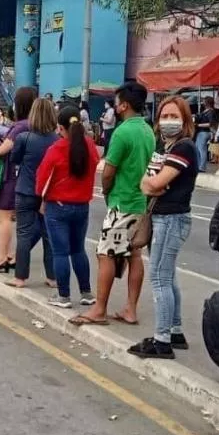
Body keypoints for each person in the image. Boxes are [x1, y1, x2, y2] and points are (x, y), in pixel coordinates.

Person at [74, 82, 155, 326]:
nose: (116, 105)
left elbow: (108, 172)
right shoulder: (147, 131)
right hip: (140, 201)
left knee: (105, 253)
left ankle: (100, 308)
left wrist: (107, 192)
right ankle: (130, 308)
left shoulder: (122, 132)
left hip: (122, 202)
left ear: (124, 105)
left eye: (118, 101)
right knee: (135, 256)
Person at [128, 96, 197, 359]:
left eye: (174, 116)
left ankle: (162, 340)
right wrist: (152, 182)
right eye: (165, 116)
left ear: (185, 119)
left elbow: (154, 183)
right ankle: (175, 330)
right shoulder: (164, 146)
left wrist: (152, 182)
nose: (169, 121)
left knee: (159, 277)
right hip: (163, 217)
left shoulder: (184, 148)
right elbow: (147, 181)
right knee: (168, 276)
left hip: (171, 218)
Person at [37, 105, 100, 308]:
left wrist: (43, 199)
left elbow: (42, 180)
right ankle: (86, 292)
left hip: (58, 206)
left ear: (61, 128)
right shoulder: (89, 146)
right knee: (78, 250)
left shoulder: (56, 149)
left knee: (61, 252)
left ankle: (63, 296)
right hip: (82, 205)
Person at [7, 98, 59, 288]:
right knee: (49, 235)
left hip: (26, 189)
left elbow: (14, 158)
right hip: (49, 192)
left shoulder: (24, 138)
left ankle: (20, 277)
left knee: (23, 233)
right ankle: (52, 277)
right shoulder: (57, 140)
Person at [0, 87, 35, 273]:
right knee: (24, 220)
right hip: (31, 176)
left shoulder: (19, 126)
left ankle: (2, 257)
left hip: (13, 175)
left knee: (3, 216)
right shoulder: (38, 124)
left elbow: (3, 150)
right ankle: (14, 256)